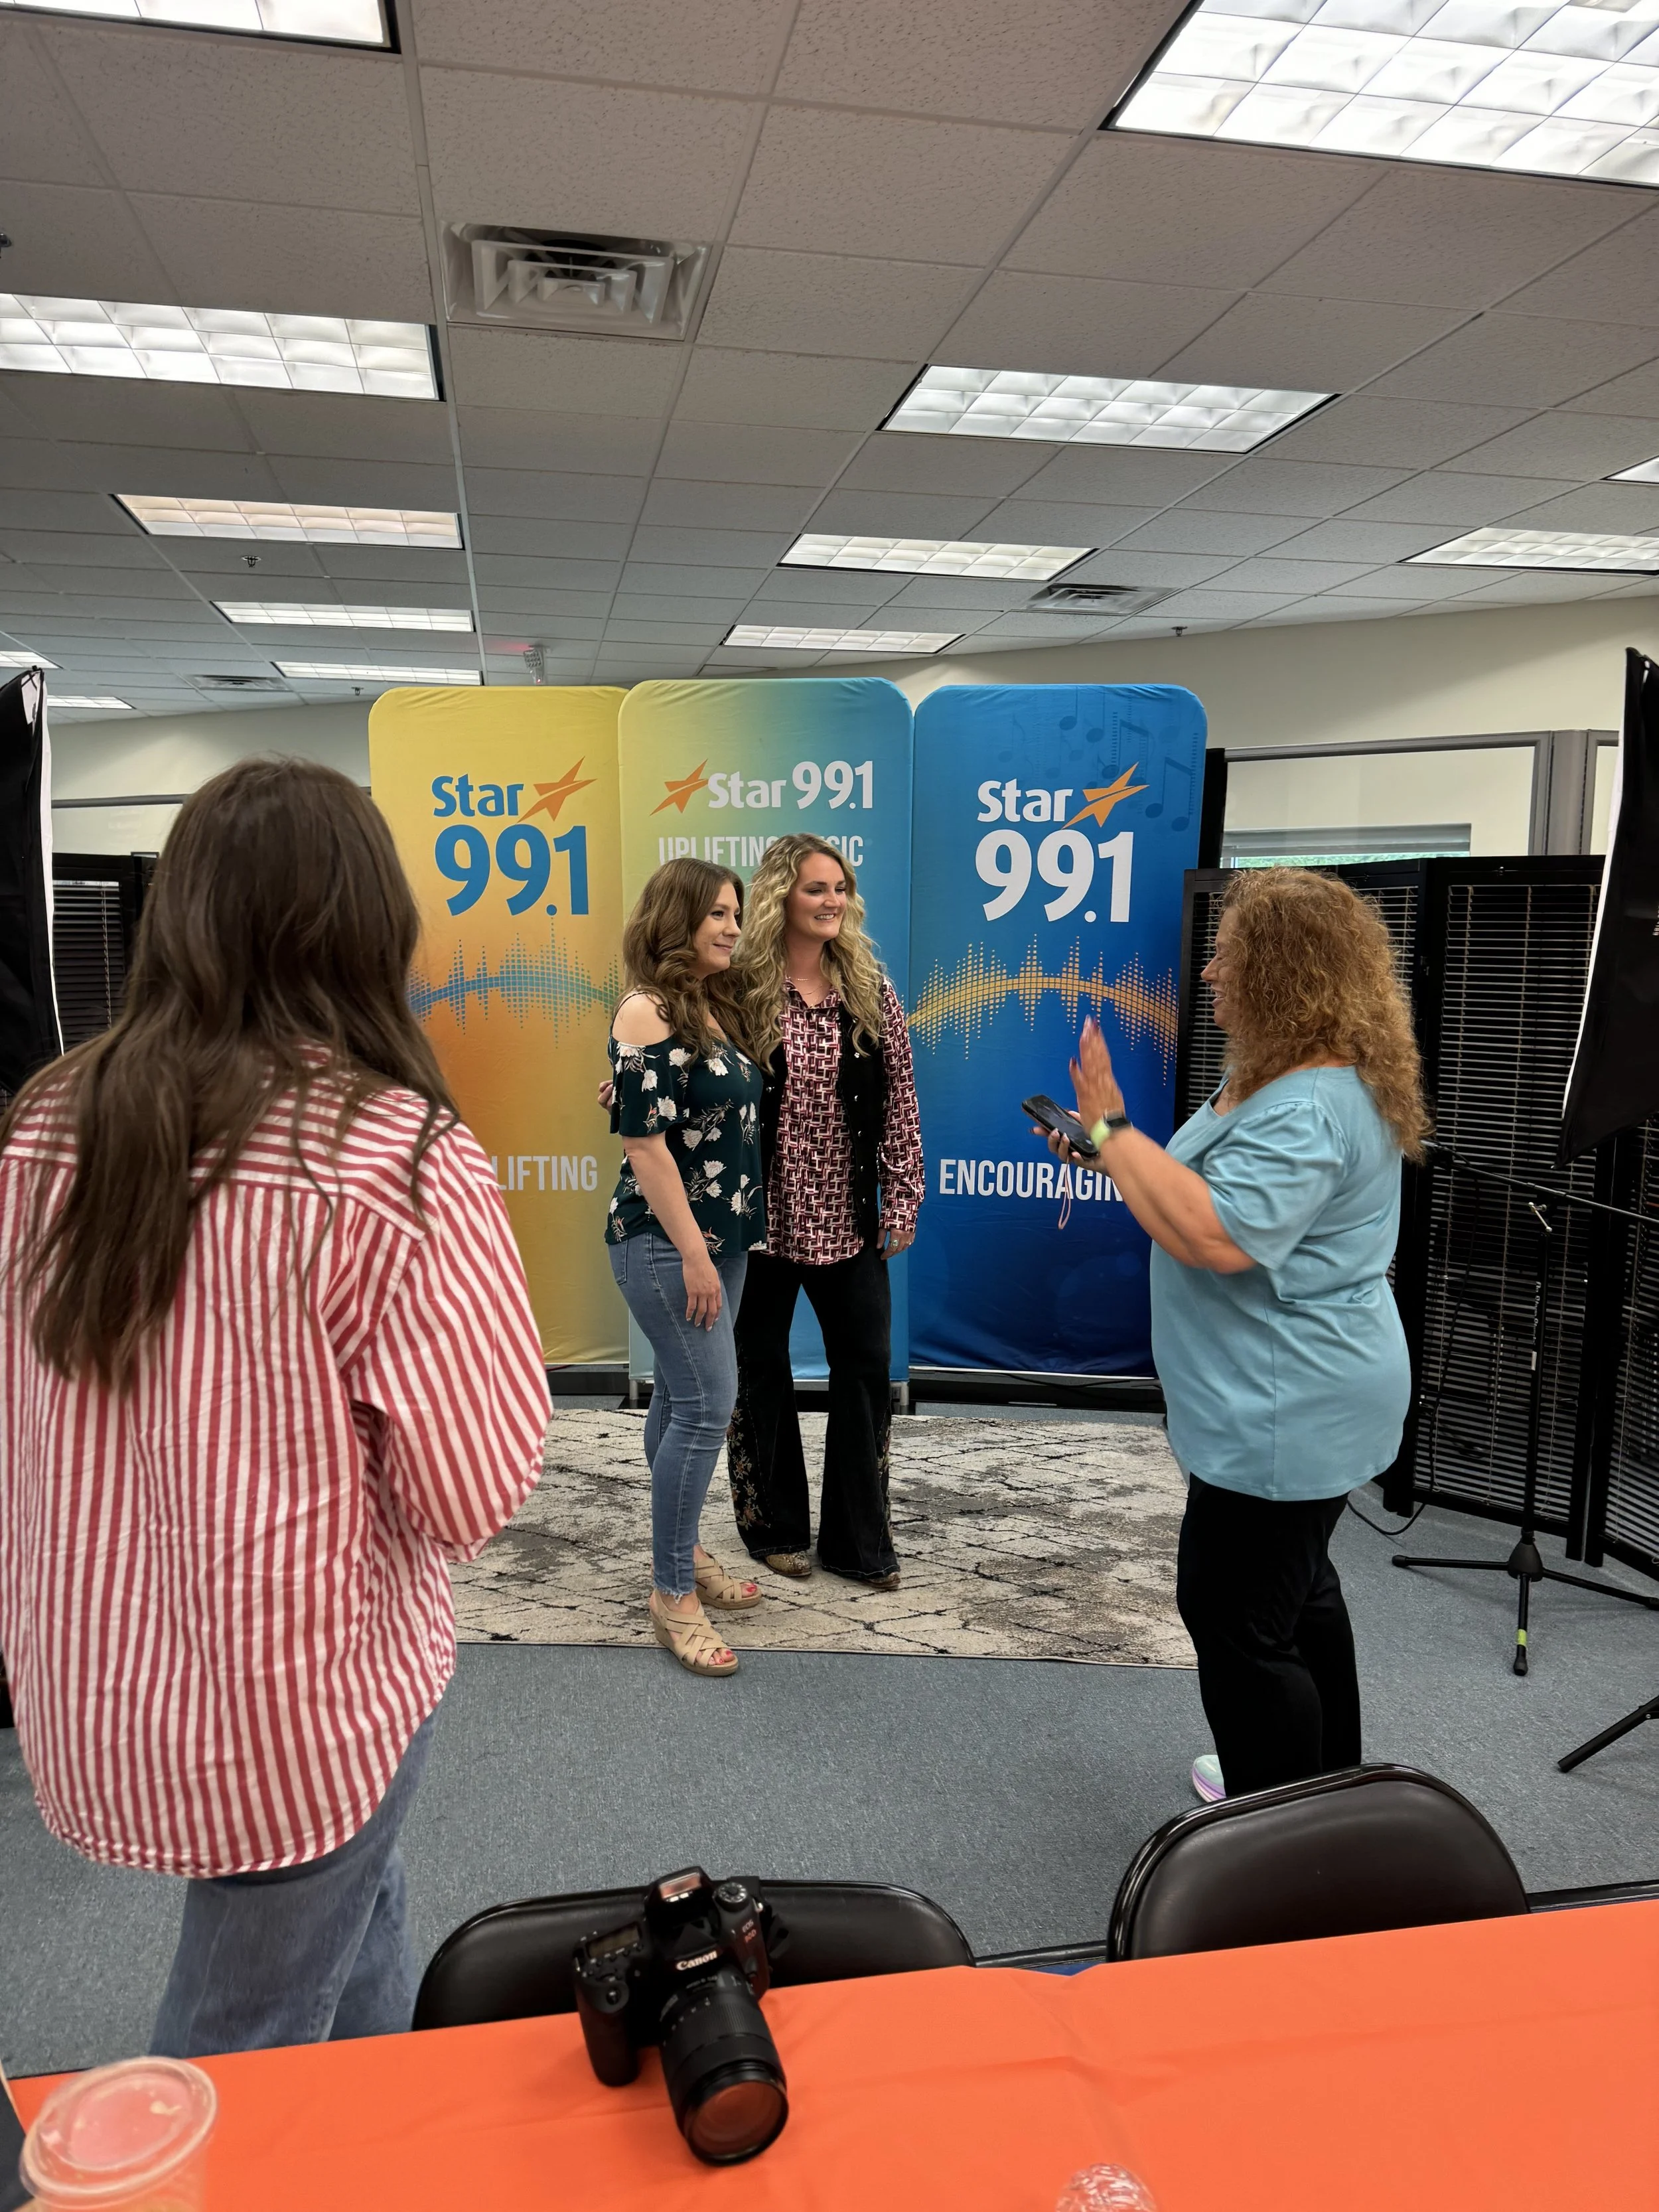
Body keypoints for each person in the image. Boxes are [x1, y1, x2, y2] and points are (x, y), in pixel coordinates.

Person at [0, 759, 551, 2057]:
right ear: (369, 926)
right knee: (236, 2039)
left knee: (356, 1931)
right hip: (293, 1702)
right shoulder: (390, 1155)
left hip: (94, 1675)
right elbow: (467, 1491)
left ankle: (380, 2131)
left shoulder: (44, 1123)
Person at [1042, 868, 1427, 1803]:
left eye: (1230, 955)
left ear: (1284, 972)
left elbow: (1215, 1235)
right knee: (1297, 1594)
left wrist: (1115, 1126)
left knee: (1236, 1620)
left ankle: (1280, 1830)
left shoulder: (1305, 1105)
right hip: (1299, 1398)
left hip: (1286, 1410)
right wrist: (1112, 1151)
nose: (1209, 971)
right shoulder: (1286, 1074)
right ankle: (1331, 1791)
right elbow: (1189, 1206)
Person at [724, 834, 924, 1591]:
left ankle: (858, 1540)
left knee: (865, 1369)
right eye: (816, 888)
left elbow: (900, 1098)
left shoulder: (868, 987)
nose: (833, 900)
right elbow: (682, 1066)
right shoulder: (737, 991)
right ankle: (773, 1529)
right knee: (760, 1369)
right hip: (759, 1222)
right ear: (782, 897)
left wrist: (901, 1194)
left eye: (839, 887)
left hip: (847, 1221)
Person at [606, 859, 768, 1678]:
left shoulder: (711, 1006)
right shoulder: (647, 1007)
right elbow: (645, 1144)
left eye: (735, 913)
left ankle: (683, 1548)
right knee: (709, 1406)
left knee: (682, 1398)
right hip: (668, 1242)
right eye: (715, 913)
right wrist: (698, 1254)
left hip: (721, 1237)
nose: (732, 927)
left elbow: (675, 1108)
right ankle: (673, 1591)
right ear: (676, 918)